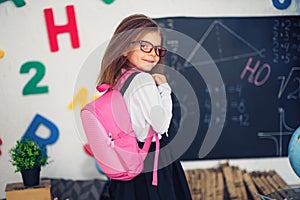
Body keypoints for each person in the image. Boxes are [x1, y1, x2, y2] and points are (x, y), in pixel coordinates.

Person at [96, 13, 192, 200]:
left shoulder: (119, 79)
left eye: (157, 49)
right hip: (150, 164)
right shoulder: (142, 80)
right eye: (145, 46)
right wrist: (164, 88)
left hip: (128, 164)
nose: (153, 54)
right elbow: (161, 125)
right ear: (124, 48)